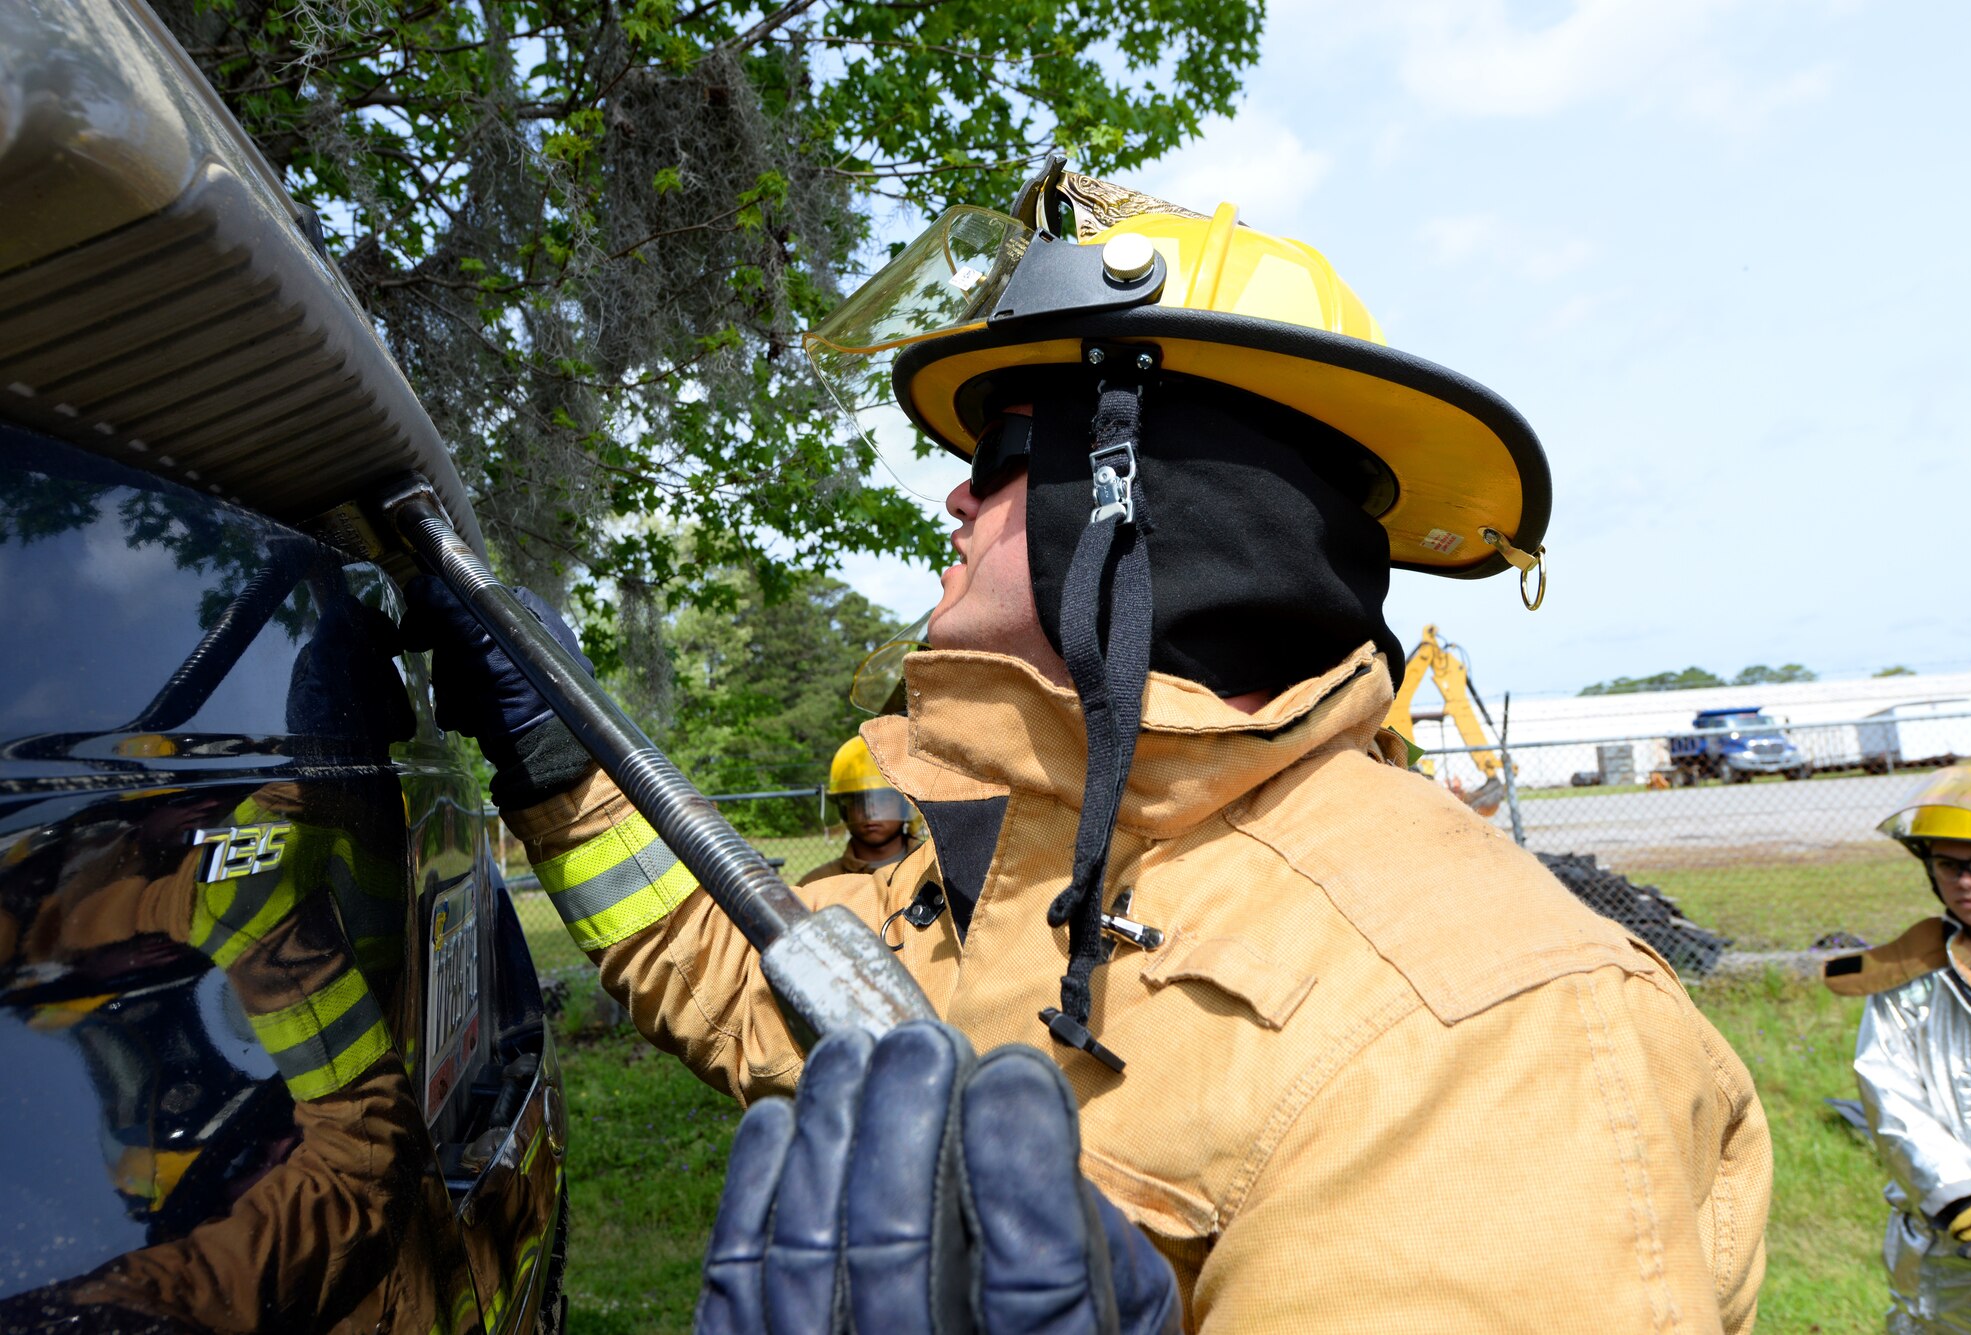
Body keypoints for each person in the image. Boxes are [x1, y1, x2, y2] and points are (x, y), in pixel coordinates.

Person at [414, 161, 1771, 1332]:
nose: (952, 486)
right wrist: (560, 767)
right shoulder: (1004, 856)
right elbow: (759, 993)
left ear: (1137, 496)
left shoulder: (1490, 1028)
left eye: (1005, 448)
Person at [1824, 761, 1971, 1334]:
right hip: (1952, 1246)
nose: (1966, 880)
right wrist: (1967, 1207)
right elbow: (1890, 1096)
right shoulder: (1909, 981)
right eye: (1949, 865)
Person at [798, 735, 915, 884]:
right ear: (842, 809)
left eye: (883, 799)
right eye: (858, 801)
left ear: (904, 803)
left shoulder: (936, 869)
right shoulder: (816, 885)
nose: (870, 811)